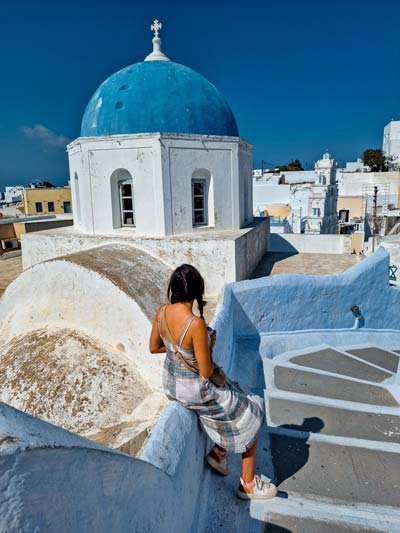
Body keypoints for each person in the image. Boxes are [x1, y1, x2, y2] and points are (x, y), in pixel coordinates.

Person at [149, 264, 277, 500]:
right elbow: (206, 371)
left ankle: (220, 452)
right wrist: (209, 344)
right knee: (252, 414)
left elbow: (154, 347)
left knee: (236, 395)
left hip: (172, 385)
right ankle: (247, 484)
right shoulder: (195, 324)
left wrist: (177, 352)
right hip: (195, 391)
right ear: (197, 291)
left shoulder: (161, 312)